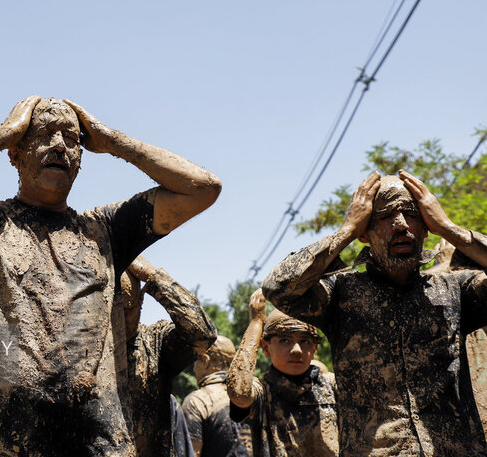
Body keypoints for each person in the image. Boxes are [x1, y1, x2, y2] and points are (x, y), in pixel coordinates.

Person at [0, 96, 221, 456]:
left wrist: (111, 140)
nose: (59, 146)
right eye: (44, 134)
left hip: (96, 445)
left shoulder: (106, 231)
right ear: (15, 153)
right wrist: (5, 132)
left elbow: (203, 188)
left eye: (71, 138)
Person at [262, 170, 487, 456]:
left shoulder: (457, 290)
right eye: (384, 217)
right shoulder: (341, 295)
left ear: (426, 225)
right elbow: (277, 287)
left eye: (412, 213)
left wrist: (448, 227)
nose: (401, 225)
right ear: (365, 233)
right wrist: (346, 230)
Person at [121, 255, 216, 456]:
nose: (121, 319)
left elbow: (203, 335)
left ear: (140, 302)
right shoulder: (84, 347)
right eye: (114, 309)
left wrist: (153, 277)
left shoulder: (154, 342)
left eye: (127, 309)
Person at [227, 290, 337, 456]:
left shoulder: (331, 385)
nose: (296, 350)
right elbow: (239, 392)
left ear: (314, 349)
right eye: (285, 340)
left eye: (305, 341)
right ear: (265, 347)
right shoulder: (262, 392)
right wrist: (256, 324)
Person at [182, 335, 251, 457]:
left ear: (205, 361)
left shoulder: (198, 401)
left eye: (196, 360)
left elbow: (192, 453)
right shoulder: (253, 395)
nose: (194, 368)